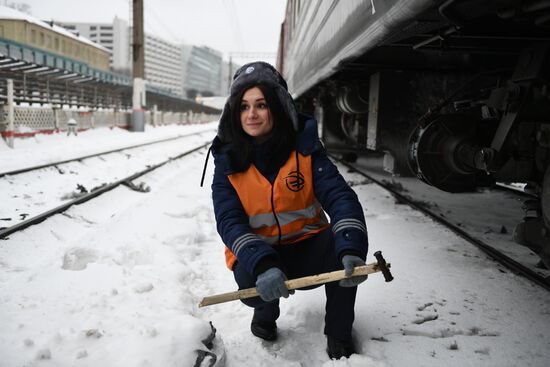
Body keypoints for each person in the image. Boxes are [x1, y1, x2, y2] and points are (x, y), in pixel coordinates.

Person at [208, 62, 368, 360]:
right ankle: (265, 314)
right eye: (243, 106)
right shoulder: (227, 161)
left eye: (261, 105)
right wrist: (263, 263)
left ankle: (339, 334)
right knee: (253, 280)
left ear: (278, 107)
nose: (251, 114)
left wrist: (351, 247)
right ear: (234, 112)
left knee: (345, 240)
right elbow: (229, 221)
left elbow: (340, 197)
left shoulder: (305, 149)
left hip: (307, 247)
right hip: (260, 256)